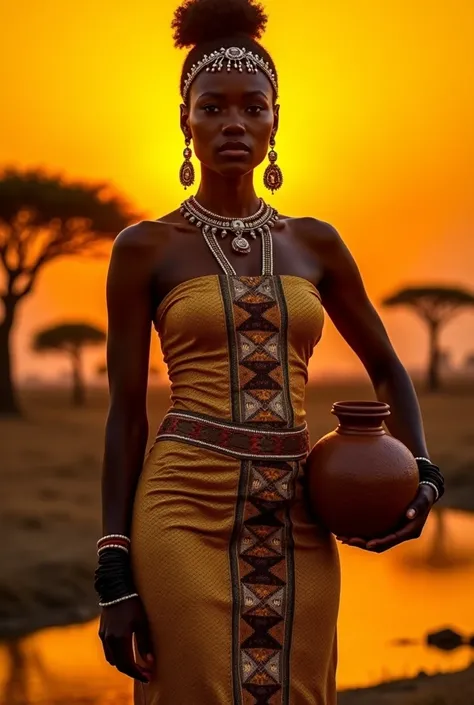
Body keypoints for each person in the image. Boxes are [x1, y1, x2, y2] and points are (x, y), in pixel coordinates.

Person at [95, 0, 445, 703]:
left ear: (274, 121)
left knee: (300, 690)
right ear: (185, 121)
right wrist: (113, 571)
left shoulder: (317, 244)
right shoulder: (144, 250)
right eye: (213, 107)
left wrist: (423, 478)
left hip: (298, 509)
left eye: (252, 108)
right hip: (182, 505)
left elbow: (386, 368)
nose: (233, 123)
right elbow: (126, 416)